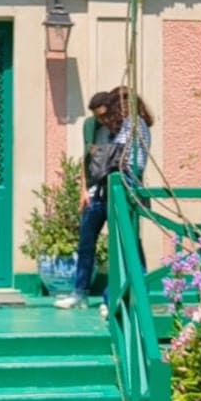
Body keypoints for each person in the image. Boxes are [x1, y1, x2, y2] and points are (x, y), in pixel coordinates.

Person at [74, 90, 154, 303]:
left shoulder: (131, 124)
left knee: (125, 242)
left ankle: (115, 298)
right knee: (118, 242)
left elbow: (118, 158)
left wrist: (100, 154)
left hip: (121, 187)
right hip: (105, 190)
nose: (104, 120)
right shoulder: (125, 125)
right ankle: (114, 295)